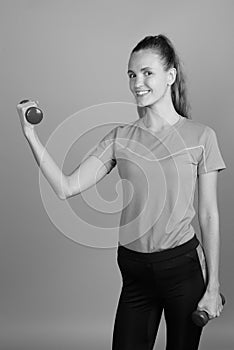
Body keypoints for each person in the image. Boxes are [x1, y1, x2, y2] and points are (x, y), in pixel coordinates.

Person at [17, 34, 227, 350]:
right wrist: (30, 135)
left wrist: (213, 286)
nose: (137, 82)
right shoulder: (120, 137)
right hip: (134, 271)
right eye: (131, 74)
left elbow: (209, 214)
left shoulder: (201, 137)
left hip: (181, 270)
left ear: (170, 76)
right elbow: (65, 187)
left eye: (147, 73)